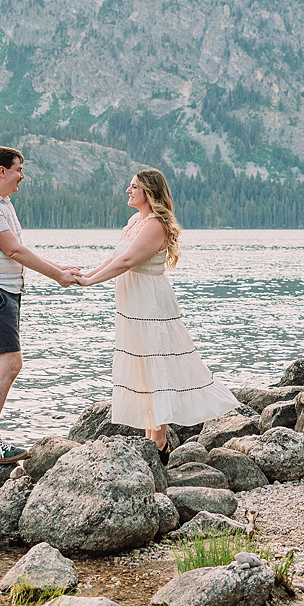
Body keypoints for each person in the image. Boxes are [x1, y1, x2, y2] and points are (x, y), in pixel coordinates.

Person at [74, 168, 238, 458]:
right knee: (141, 364)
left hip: (150, 305)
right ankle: (152, 438)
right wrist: (86, 275)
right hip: (133, 306)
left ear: (149, 192)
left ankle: (159, 442)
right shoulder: (134, 222)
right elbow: (114, 258)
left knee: (156, 363)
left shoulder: (155, 225)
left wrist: (90, 282)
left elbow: (127, 261)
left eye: (134, 187)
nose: (128, 190)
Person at [0, 145, 80, 464]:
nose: (22, 176)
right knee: (11, 364)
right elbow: (13, 250)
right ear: (2, 171)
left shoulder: (1, 203)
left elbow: (17, 251)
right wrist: (57, 275)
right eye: (18, 170)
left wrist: (58, 267)